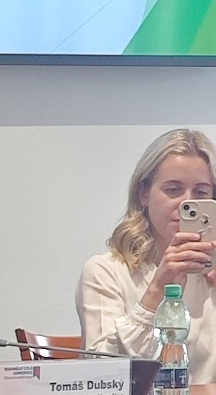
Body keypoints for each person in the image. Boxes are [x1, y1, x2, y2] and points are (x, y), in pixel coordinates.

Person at [78, 128, 216, 376]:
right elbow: (101, 372)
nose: (187, 202)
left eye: (201, 192)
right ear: (143, 194)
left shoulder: (211, 272)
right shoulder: (105, 272)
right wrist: (156, 290)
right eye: (173, 190)